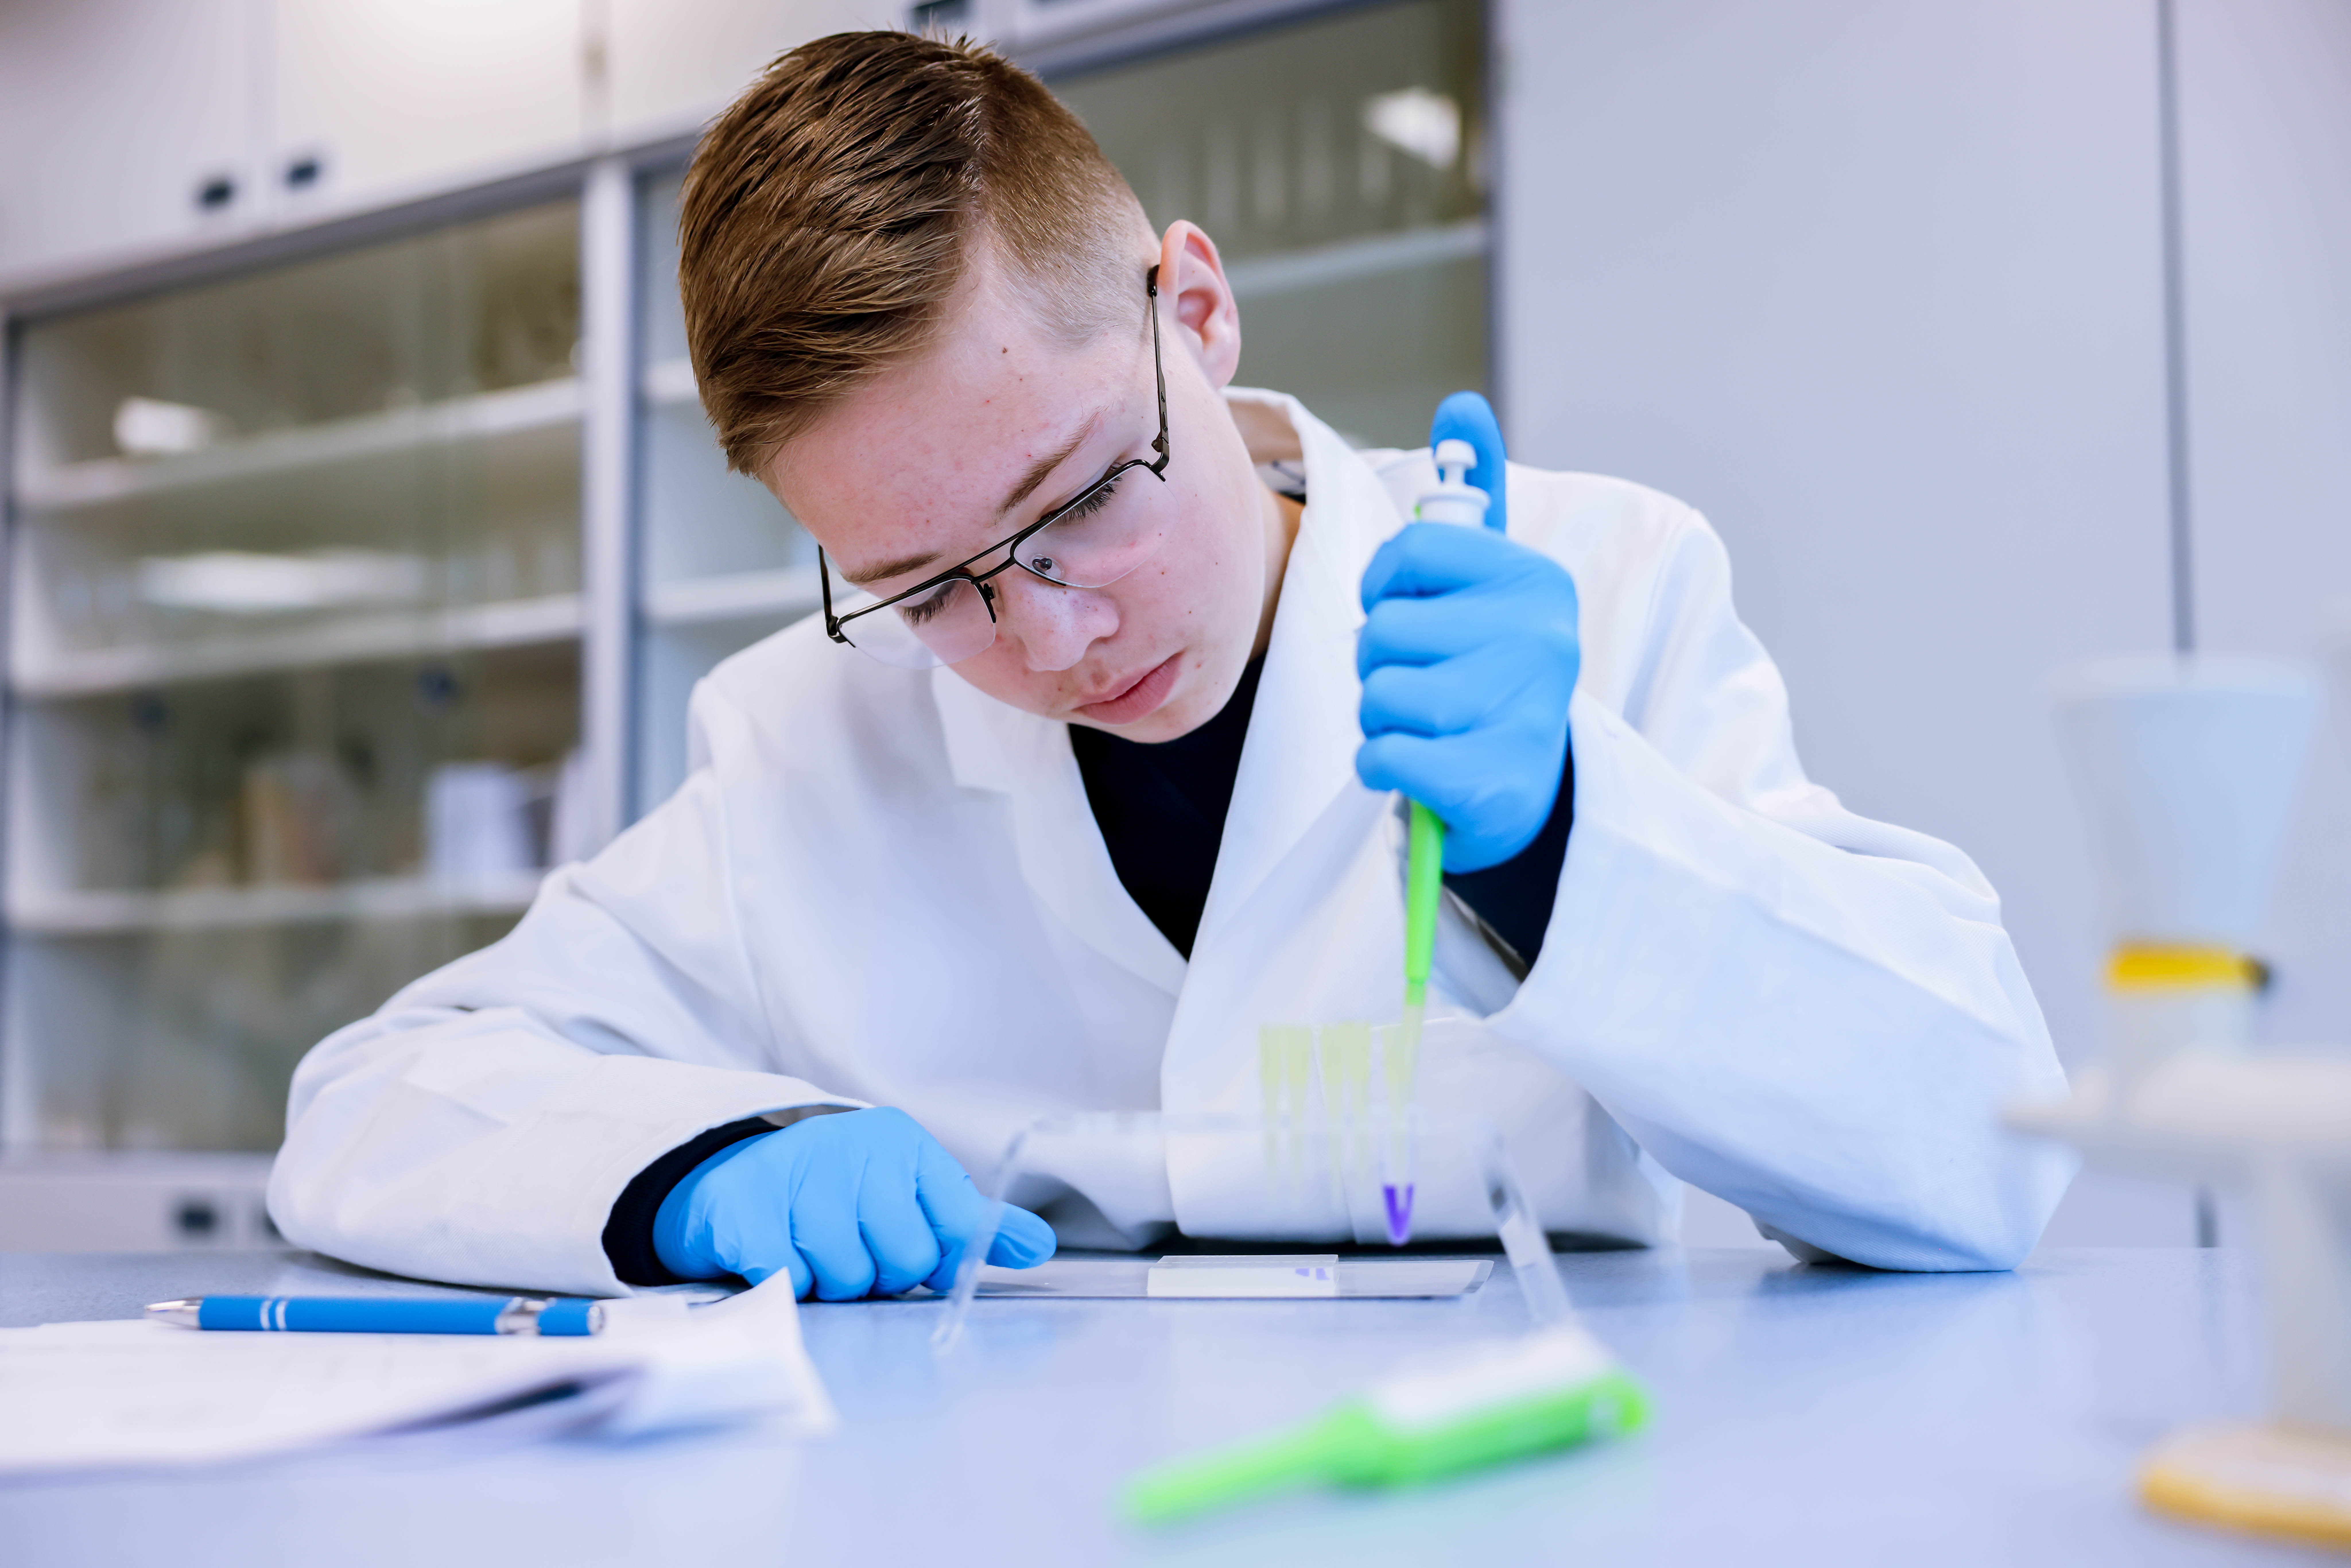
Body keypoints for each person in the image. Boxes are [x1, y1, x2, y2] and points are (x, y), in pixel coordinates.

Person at [267, 32, 2072, 1299]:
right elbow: (373, 1098)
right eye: (923, 583)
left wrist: (1569, 845)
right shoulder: (795, 742)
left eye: (1081, 492)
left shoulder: (1602, 582)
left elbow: (1985, 1153)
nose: (1050, 636)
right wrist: (688, 1169)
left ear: (1194, 312)